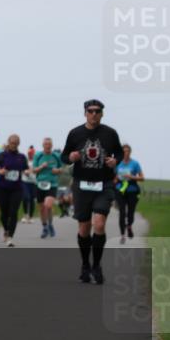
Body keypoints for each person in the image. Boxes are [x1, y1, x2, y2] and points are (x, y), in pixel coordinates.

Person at [61, 99, 123, 284]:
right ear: (85, 113)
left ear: (102, 113)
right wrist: (70, 157)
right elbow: (64, 156)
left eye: (98, 111)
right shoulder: (75, 133)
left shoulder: (110, 133)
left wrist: (115, 161)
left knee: (99, 224)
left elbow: (119, 153)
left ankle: (96, 265)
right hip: (82, 185)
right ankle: (85, 265)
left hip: (103, 184)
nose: (94, 114)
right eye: (91, 111)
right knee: (84, 228)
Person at [0, 134, 29, 247]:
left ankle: (10, 237)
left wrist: (27, 172)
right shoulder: (2, 155)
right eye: (12, 143)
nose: (14, 145)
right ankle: (6, 230)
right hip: (2, 187)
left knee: (13, 213)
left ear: (18, 144)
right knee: (4, 213)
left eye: (16, 143)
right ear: (8, 142)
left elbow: (26, 168)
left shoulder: (21, 157)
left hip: (17, 189)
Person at [32, 138, 63, 238]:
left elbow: (61, 168)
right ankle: (45, 227)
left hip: (52, 184)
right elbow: (34, 170)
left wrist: (57, 171)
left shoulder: (56, 155)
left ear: (52, 145)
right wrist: (41, 167)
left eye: (49, 144)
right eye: (46, 144)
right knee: (42, 208)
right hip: (40, 184)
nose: (47, 146)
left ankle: (50, 224)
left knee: (48, 206)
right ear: (43, 145)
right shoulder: (38, 155)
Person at [115, 144, 145, 244]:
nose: (125, 153)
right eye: (123, 151)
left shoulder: (135, 164)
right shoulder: (118, 163)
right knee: (122, 212)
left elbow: (142, 178)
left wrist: (131, 177)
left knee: (131, 212)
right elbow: (114, 178)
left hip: (132, 190)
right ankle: (122, 235)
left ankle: (129, 226)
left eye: (127, 151)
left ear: (130, 152)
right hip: (120, 190)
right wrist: (116, 180)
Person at [21, 146, 38, 224]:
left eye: (32, 153)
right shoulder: (25, 161)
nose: (30, 155)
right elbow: (21, 169)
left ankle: (30, 217)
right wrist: (25, 172)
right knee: (25, 197)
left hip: (34, 182)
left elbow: (38, 171)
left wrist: (32, 171)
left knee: (32, 200)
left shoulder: (36, 162)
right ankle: (25, 215)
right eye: (29, 153)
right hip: (25, 181)